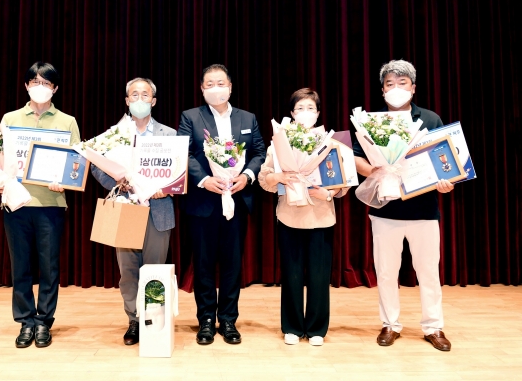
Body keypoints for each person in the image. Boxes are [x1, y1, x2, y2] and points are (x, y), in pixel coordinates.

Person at [353, 59, 454, 352]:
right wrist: (375, 169)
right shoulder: (372, 122)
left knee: (428, 270)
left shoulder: (430, 119)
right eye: (389, 84)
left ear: (413, 88)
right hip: (385, 209)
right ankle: (390, 324)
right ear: (382, 90)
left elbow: (444, 160)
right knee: (386, 270)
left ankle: (433, 326)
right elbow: (357, 157)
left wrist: (446, 182)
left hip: (424, 210)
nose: (395, 88)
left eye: (402, 83)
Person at [177, 64, 266, 345]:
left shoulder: (247, 118)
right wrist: (204, 179)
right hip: (204, 201)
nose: (216, 88)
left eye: (220, 83)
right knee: (203, 264)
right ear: (202, 89)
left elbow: (259, 152)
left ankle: (228, 320)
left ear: (230, 86)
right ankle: (205, 319)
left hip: (237, 200)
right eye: (209, 84)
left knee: (232, 264)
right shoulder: (191, 117)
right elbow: (185, 153)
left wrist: (248, 176)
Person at [258, 88, 348, 346]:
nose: (305, 113)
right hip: (289, 216)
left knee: (320, 276)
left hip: (321, 218)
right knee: (292, 273)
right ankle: (293, 327)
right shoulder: (279, 143)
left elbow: (344, 184)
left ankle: (318, 329)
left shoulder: (332, 143)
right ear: (291, 113)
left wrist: (329, 194)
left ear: (318, 113)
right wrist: (279, 177)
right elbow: (265, 180)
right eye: (299, 108)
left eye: (310, 108)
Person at [0, 61, 80, 348]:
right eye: (35, 81)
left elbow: (75, 165)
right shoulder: (10, 119)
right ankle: (25, 321)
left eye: (46, 83)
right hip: (16, 203)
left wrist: (66, 181)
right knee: (20, 266)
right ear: (25, 85)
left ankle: (44, 321)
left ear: (55, 88)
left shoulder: (67, 121)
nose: (40, 87)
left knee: (49, 267)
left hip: (51, 203)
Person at [91, 77, 176, 346]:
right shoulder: (113, 134)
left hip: (158, 211)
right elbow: (95, 165)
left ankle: (154, 321)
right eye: (134, 95)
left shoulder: (170, 135)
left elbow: (179, 171)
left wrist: (168, 188)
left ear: (153, 101)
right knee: (128, 271)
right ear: (127, 101)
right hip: (127, 208)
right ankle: (134, 320)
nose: (140, 99)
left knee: (155, 269)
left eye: (145, 94)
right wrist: (116, 181)